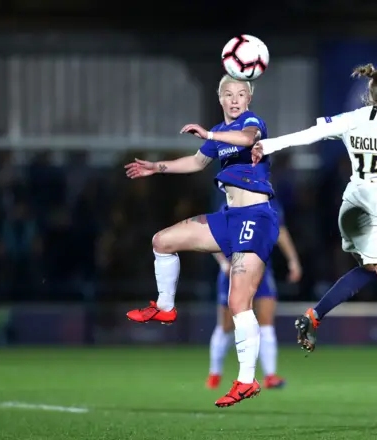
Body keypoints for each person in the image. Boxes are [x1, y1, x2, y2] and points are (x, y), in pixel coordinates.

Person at [251, 35, 377, 424]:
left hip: (351, 212)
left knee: (369, 270)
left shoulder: (352, 120)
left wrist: (270, 145)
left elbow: (309, 135)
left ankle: (314, 316)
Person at [123, 74, 279, 408]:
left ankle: (247, 381)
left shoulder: (252, 123)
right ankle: (165, 307)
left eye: (241, 94)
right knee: (162, 241)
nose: (235, 99)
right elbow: (196, 161)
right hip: (228, 218)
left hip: (256, 218)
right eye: (228, 94)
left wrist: (210, 133)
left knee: (239, 302)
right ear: (219, 98)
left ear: (248, 99)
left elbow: (246, 138)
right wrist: (156, 167)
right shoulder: (218, 134)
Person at [207, 197, 302, 390]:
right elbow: (211, 235)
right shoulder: (229, 202)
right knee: (226, 325)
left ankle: (270, 376)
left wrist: (293, 260)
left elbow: (280, 231)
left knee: (266, 321)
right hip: (233, 269)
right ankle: (214, 374)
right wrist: (223, 263)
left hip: (260, 268)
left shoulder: (271, 202)